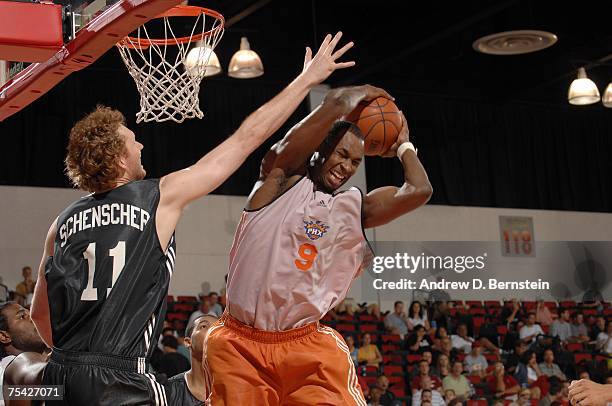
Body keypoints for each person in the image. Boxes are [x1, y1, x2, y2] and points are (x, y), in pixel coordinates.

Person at [29, 32, 351, 406]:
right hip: (118, 380)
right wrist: (306, 80)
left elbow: (42, 320)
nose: (141, 144)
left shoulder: (61, 224)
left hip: (58, 378)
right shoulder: (157, 197)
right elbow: (244, 140)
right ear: (119, 159)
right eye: (133, 140)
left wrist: (79, 359)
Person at [203, 33, 432, 404]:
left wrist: (404, 143)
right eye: (341, 155)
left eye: (355, 162)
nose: (346, 167)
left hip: (305, 344)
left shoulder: (352, 210)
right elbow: (337, 102)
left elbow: (419, 191)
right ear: (320, 150)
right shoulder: (277, 181)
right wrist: (370, 92)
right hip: (239, 342)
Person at [0, 302, 48, 406]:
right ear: (4, 336)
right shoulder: (13, 364)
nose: (33, 317)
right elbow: (33, 371)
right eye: (22, 316)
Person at [165, 315, 217, 405]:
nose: (213, 331)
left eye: (217, 328)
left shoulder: (235, 387)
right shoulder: (169, 390)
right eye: (204, 326)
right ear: (188, 342)